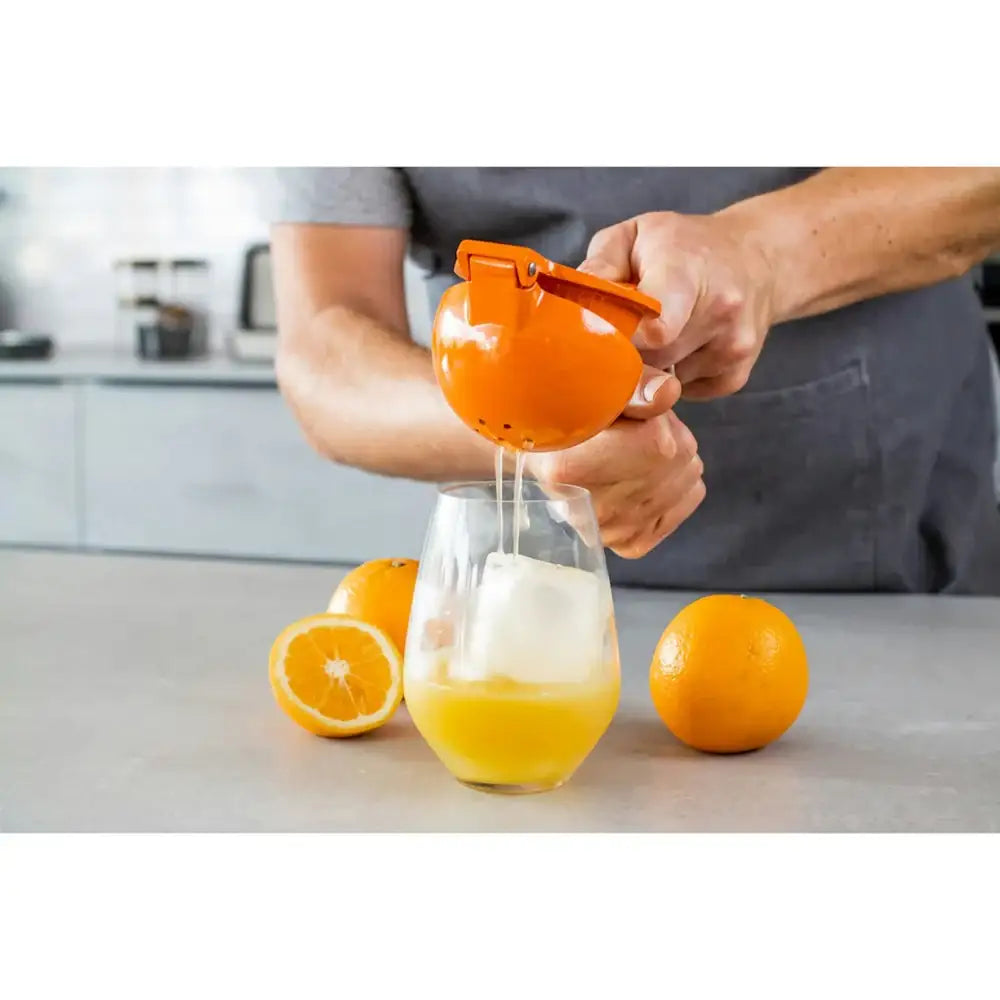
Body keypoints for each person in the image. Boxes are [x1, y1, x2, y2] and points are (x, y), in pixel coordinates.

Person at [265, 168, 1000, 595]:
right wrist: (540, 430)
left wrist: (763, 254)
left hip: (887, 535)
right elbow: (326, 348)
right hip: (540, 571)